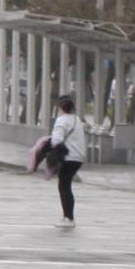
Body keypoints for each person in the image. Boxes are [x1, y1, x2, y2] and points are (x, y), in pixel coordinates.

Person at [46, 95, 87, 228]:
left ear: (61, 108)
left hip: (68, 157)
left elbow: (56, 140)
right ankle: (68, 217)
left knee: (64, 186)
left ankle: (68, 218)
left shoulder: (61, 120)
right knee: (66, 185)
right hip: (79, 157)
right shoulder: (77, 119)